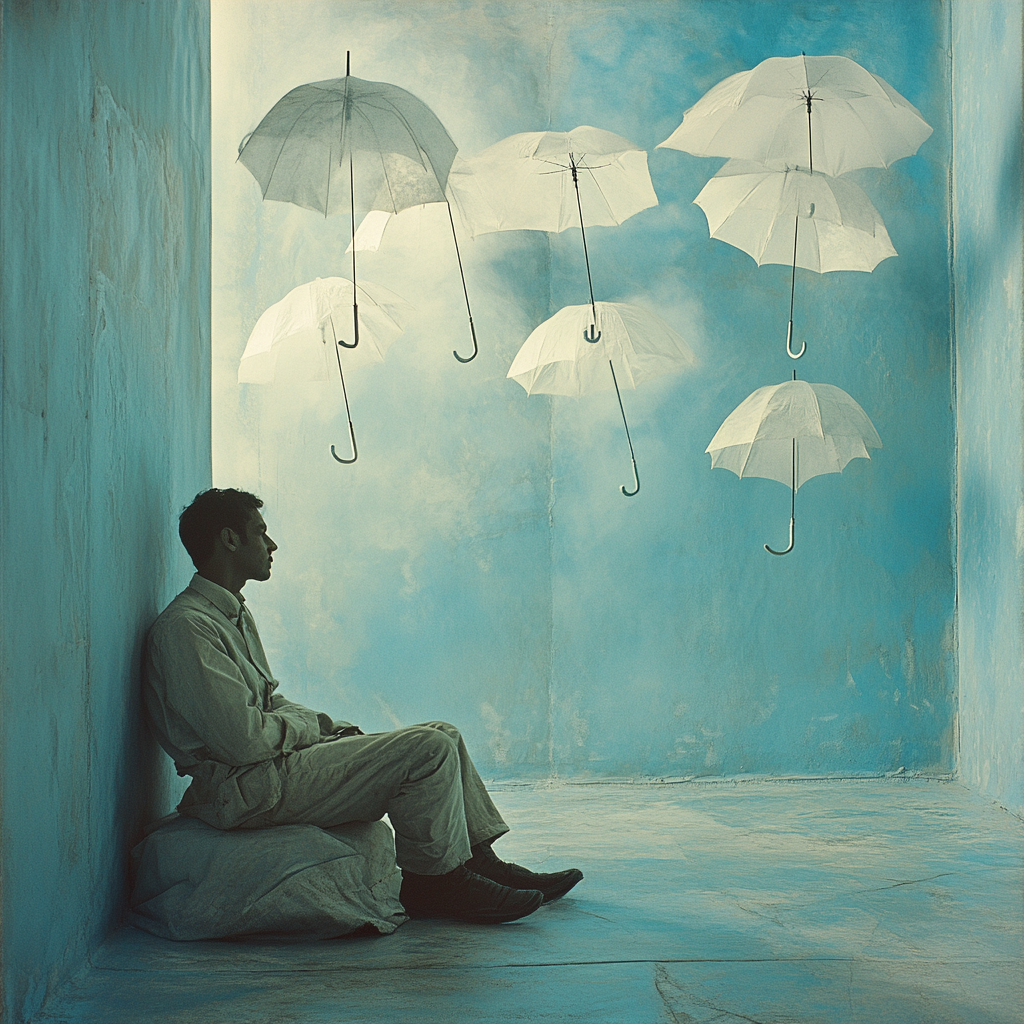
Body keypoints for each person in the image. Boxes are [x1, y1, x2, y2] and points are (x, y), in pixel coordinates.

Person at [144, 487, 582, 925]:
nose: (272, 545)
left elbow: (268, 700)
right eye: (262, 533)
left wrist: (327, 726)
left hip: (270, 768)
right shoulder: (187, 628)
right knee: (427, 749)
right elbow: (243, 741)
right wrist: (312, 728)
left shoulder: (229, 612)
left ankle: (476, 862)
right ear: (230, 540)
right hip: (246, 790)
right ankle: (436, 883)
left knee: (443, 732)